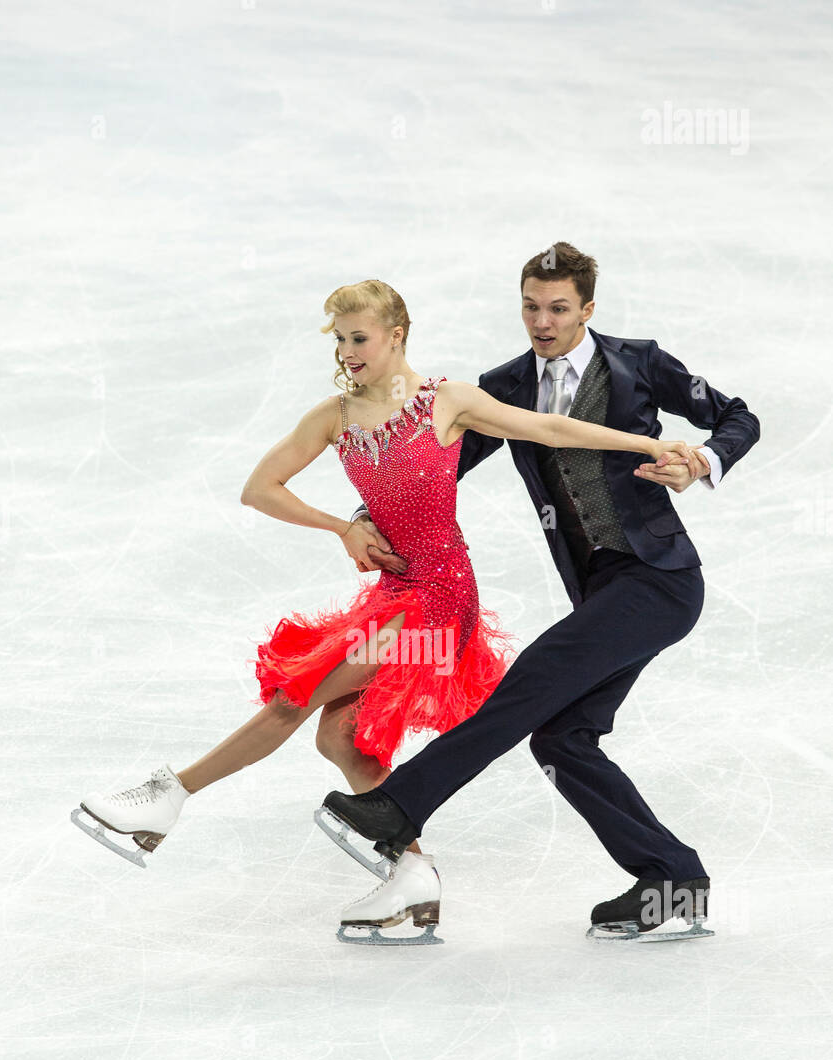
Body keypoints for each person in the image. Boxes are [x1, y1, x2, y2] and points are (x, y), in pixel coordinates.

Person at [70, 276, 692, 943]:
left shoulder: (445, 401)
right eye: (340, 339)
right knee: (337, 735)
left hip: (439, 605)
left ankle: (165, 800)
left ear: (396, 334)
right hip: (396, 596)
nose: (348, 351)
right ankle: (414, 883)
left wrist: (647, 445)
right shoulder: (334, 417)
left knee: (297, 691)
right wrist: (342, 527)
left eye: (359, 337)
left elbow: (546, 425)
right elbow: (260, 488)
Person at [316, 245, 760, 943]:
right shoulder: (506, 386)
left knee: (529, 685)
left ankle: (398, 806)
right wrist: (367, 519)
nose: (542, 322)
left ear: (587, 309)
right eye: (530, 306)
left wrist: (703, 458)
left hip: (659, 579)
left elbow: (737, 415)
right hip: (599, 592)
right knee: (561, 737)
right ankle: (672, 879)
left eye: (558, 308)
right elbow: (433, 467)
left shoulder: (639, 363)